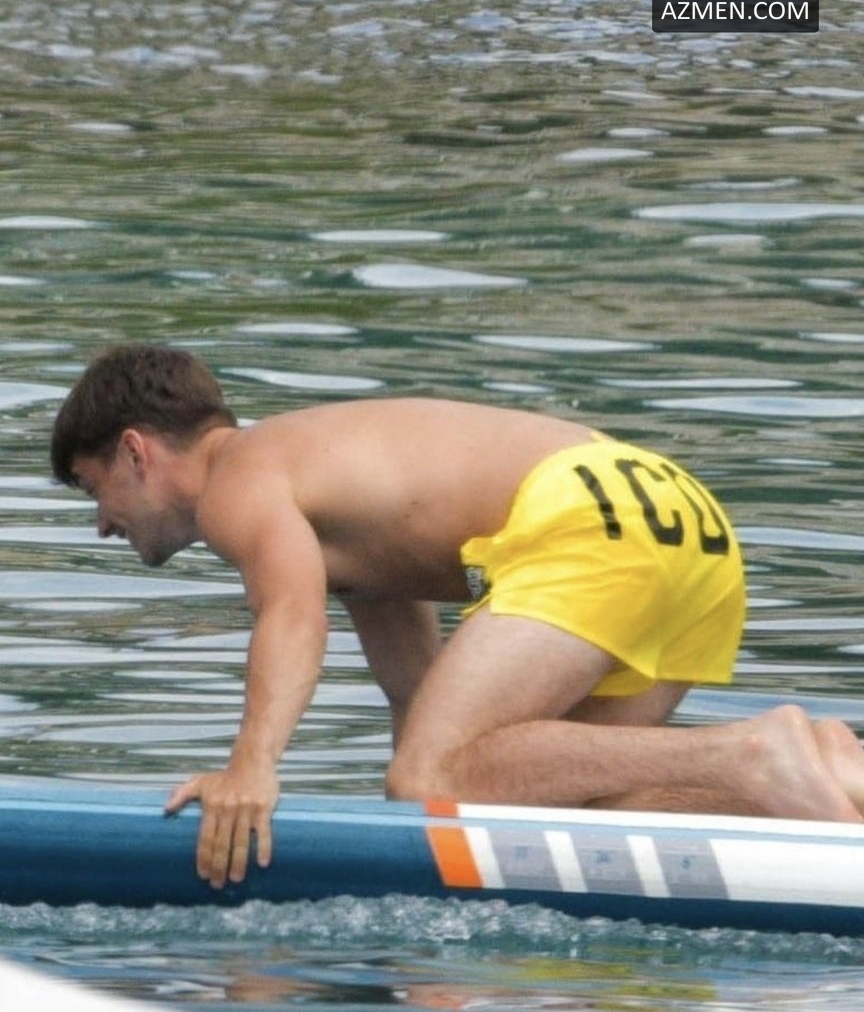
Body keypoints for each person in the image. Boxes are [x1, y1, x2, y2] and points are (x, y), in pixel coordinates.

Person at [51, 344, 864, 889]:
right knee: (554, 806)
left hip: (591, 518)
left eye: (95, 490)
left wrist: (249, 769)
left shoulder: (238, 477)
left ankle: (752, 752)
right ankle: (832, 775)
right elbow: (420, 705)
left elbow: (291, 617)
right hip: (686, 521)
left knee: (431, 777)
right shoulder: (338, 510)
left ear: (137, 451)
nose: (102, 525)